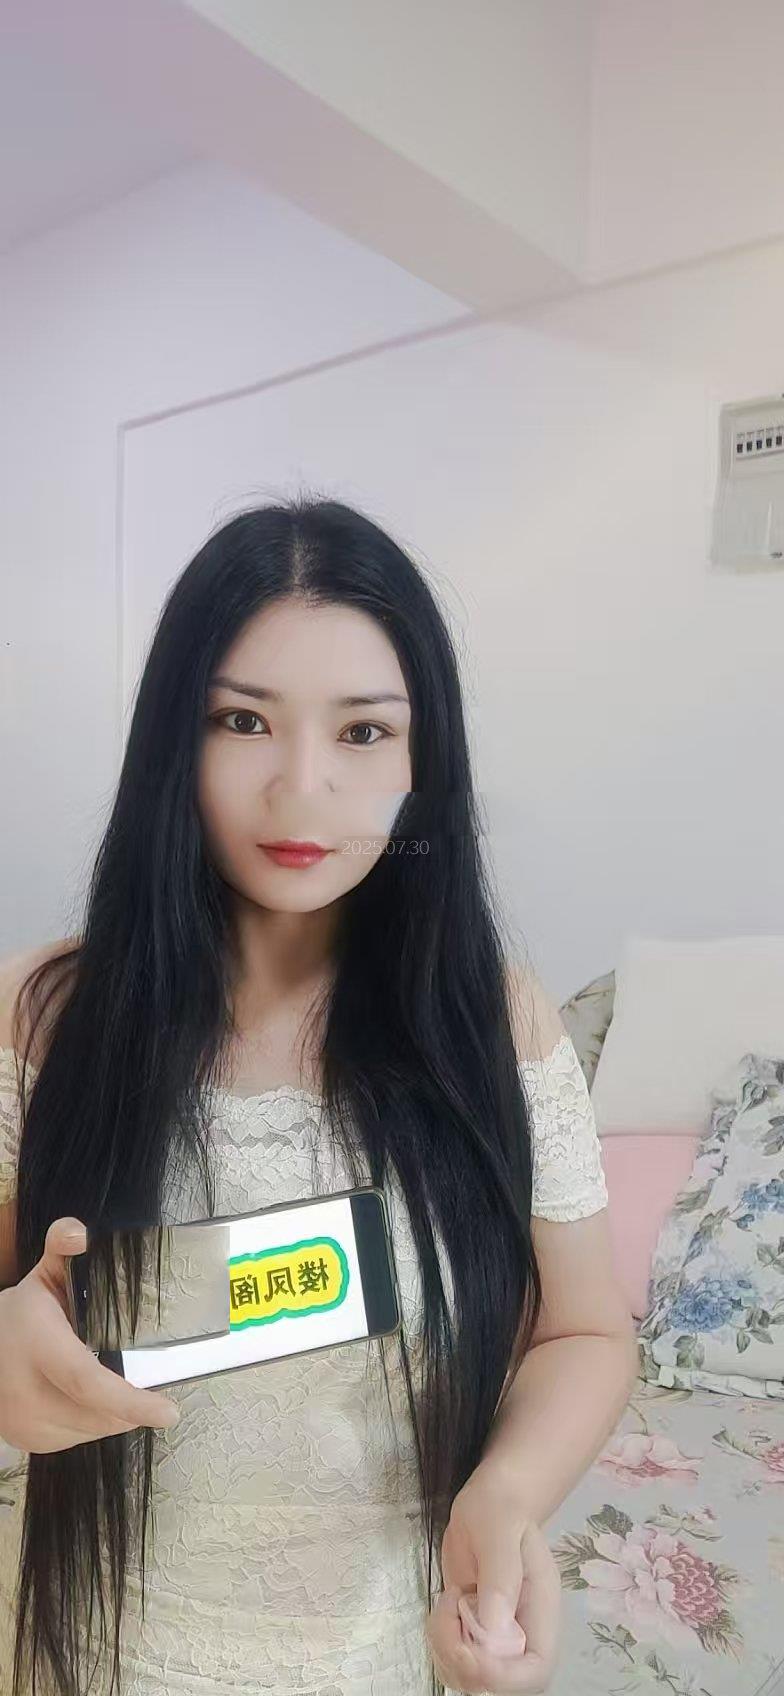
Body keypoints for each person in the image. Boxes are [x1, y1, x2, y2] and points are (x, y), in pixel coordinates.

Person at [0, 498, 638, 1696]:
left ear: (422, 764)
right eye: (242, 719)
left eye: (363, 731)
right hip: (99, 1638)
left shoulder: (494, 1024)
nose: (302, 788)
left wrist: (507, 1492)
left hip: (381, 1642)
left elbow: (586, 1328)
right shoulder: (43, 1014)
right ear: (172, 741)